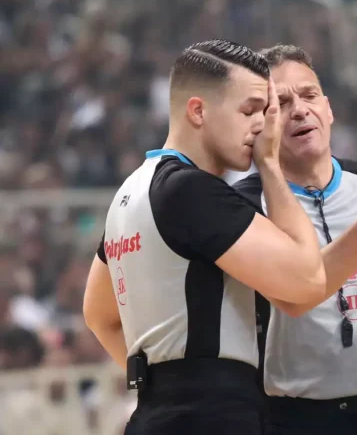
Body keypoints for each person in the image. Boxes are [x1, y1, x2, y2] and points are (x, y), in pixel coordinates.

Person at [82, 39, 327, 435]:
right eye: (249, 110)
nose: (261, 125)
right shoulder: (191, 191)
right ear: (197, 111)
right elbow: (307, 280)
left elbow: (98, 315)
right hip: (213, 413)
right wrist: (269, 165)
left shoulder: (130, 191)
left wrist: (164, 384)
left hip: (158, 412)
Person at [235, 44, 357, 435]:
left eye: (309, 95)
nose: (300, 110)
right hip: (295, 419)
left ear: (328, 109)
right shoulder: (244, 205)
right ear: (260, 125)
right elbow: (295, 295)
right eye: (281, 103)